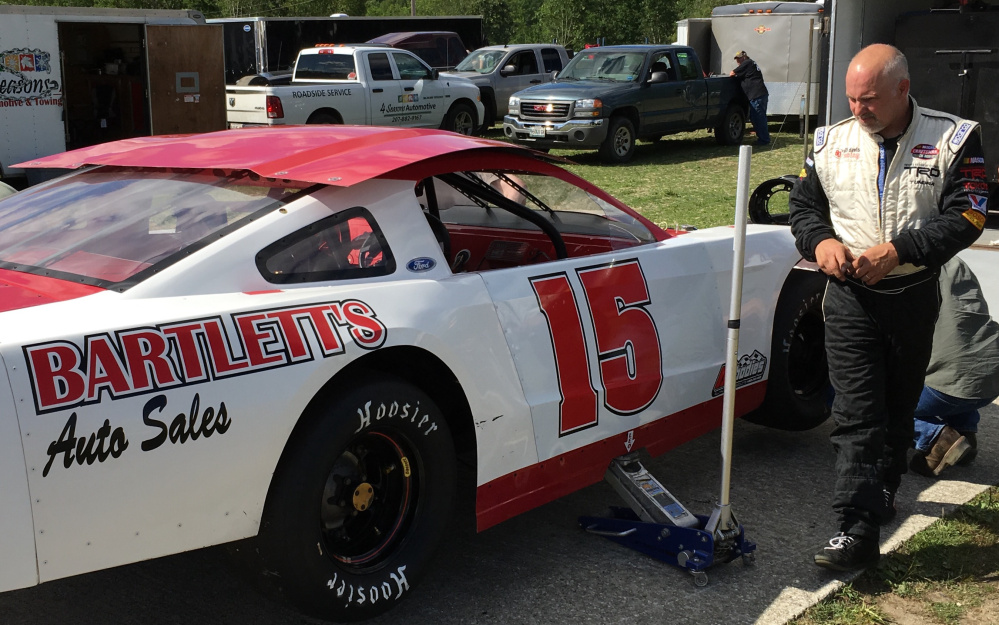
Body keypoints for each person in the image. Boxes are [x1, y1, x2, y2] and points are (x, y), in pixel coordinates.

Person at [788, 43, 989, 572]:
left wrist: (900, 251)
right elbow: (804, 208)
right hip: (850, 297)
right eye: (852, 99)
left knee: (899, 412)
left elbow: (970, 216)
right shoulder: (830, 140)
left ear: (903, 89)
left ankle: (884, 491)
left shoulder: (954, 136)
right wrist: (820, 243)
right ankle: (855, 529)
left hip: (913, 293)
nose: (859, 110)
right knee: (857, 415)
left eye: (870, 99)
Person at [910, 257, 999, 477]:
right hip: (991, 374)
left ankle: (936, 439)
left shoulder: (899, 266)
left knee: (866, 400)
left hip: (946, 388)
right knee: (962, 351)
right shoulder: (953, 260)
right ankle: (965, 433)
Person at [730, 51, 770, 146]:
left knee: (758, 118)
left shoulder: (747, 63)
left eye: (739, 58)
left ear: (744, 57)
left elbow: (732, 73)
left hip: (756, 96)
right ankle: (763, 138)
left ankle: (764, 140)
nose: (738, 61)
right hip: (760, 95)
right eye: (736, 59)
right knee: (757, 117)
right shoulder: (751, 63)